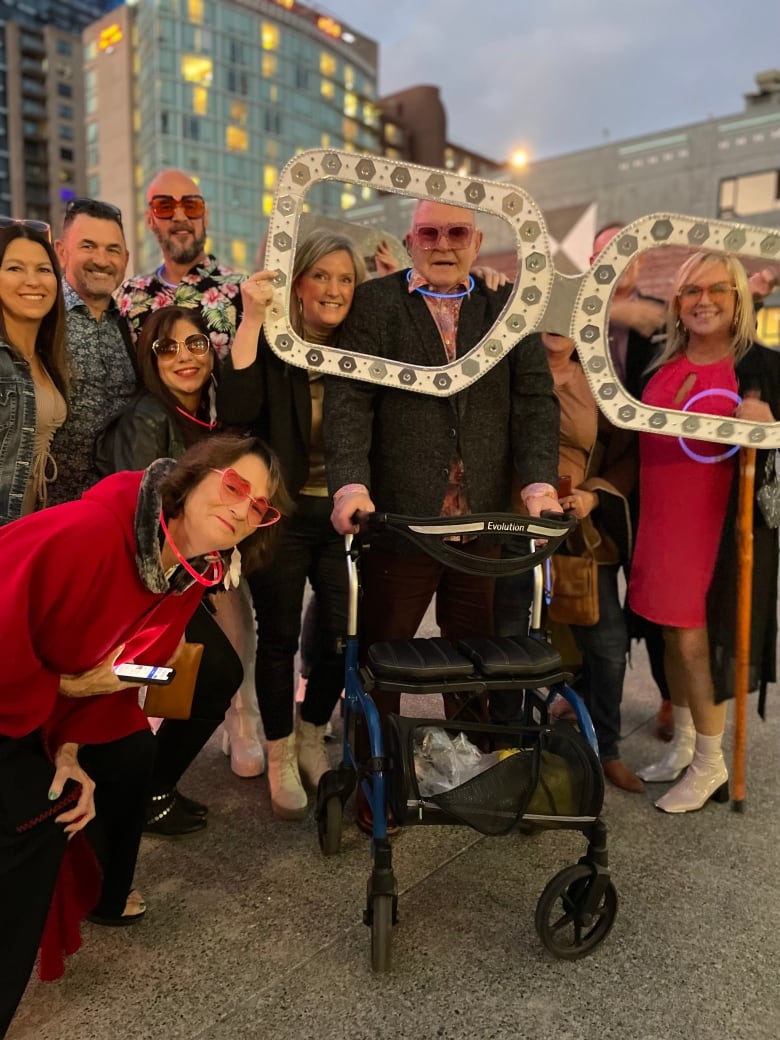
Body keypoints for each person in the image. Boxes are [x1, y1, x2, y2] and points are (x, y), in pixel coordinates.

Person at [0, 433, 286, 1038]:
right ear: (192, 477)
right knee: (37, 818)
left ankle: (107, 890)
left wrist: (71, 747)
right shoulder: (85, 533)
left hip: (36, 709)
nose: (242, 509)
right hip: (11, 699)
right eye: (234, 486)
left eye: (259, 506)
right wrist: (63, 695)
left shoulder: (189, 573)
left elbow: (124, 674)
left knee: (117, 763)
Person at [324, 200, 560, 831]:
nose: (443, 243)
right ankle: (378, 778)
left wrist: (538, 482)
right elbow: (350, 399)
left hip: (479, 523)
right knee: (384, 658)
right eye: (429, 232)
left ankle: (472, 774)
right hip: (401, 520)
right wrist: (350, 487)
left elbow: (535, 401)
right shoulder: (376, 304)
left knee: (473, 657)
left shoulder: (505, 306)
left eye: (457, 232)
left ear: (477, 240)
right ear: (410, 241)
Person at [96, 294, 286, 833]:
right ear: (149, 359)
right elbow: (145, 520)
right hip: (149, 583)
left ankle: (149, 786)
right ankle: (144, 790)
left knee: (218, 668)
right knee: (209, 671)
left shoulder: (205, 417)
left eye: (196, 343)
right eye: (167, 347)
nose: (185, 356)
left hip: (186, 579)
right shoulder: (149, 416)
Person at [217, 231, 366, 819]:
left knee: (338, 629)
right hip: (281, 512)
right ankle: (279, 755)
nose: (333, 289)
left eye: (345, 278)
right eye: (321, 276)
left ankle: (310, 733)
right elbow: (235, 411)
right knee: (277, 636)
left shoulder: (365, 347)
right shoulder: (276, 345)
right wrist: (253, 317)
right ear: (298, 282)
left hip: (342, 512)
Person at [628, 250, 779, 813]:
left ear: (740, 300)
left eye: (718, 290)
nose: (704, 301)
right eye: (691, 291)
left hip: (715, 529)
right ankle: (688, 743)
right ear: (677, 302)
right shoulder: (657, 363)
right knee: (669, 635)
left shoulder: (761, 368)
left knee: (696, 641)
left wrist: (768, 426)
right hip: (661, 521)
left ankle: (710, 763)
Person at [539, 332, 643, 791]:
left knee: (606, 643)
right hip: (510, 528)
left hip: (580, 532)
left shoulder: (600, 380)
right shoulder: (508, 367)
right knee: (512, 639)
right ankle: (511, 747)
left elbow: (626, 452)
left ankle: (607, 746)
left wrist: (592, 496)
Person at [48, 197, 137, 505]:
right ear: (62, 252)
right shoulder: (41, 315)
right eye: (88, 246)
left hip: (111, 515)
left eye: (112, 249)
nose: (102, 259)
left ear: (125, 258)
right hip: (43, 514)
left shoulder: (131, 327)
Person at [117, 169, 244, 357]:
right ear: (150, 220)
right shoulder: (130, 295)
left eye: (191, 206)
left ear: (205, 217)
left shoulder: (243, 291)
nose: (180, 216)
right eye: (165, 206)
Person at [0, 221, 68, 523]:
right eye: (15, 269)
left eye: (43, 269)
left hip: (26, 536)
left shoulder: (44, 358)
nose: (32, 281)